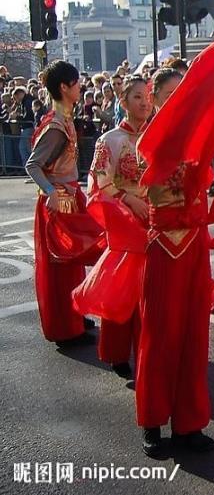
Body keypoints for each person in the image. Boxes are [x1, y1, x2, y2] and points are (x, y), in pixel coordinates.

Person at [135, 67, 214, 458]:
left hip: (195, 243)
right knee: (161, 334)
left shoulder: (195, 137)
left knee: (195, 336)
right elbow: (155, 188)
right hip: (166, 246)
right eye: (171, 92)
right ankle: (152, 420)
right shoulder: (152, 140)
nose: (180, 97)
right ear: (157, 98)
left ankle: (189, 423)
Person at [25, 61, 105, 345]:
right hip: (60, 200)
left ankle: (74, 316)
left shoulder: (63, 119)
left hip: (68, 194)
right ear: (64, 87)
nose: (80, 87)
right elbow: (33, 165)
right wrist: (50, 192)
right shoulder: (57, 126)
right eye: (75, 84)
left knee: (73, 264)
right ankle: (66, 325)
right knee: (62, 266)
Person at [84, 75, 150, 377]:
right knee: (122, 289)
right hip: (123, 218)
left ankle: (147, 349)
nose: (144, 102)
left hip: (155, 218)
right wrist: (129, 200)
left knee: (150, 290)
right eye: (137, 96)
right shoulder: (109, 140)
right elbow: (99, 183)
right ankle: (117, 351)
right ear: (122, 102)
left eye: (148, 95)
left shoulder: (157, 135)